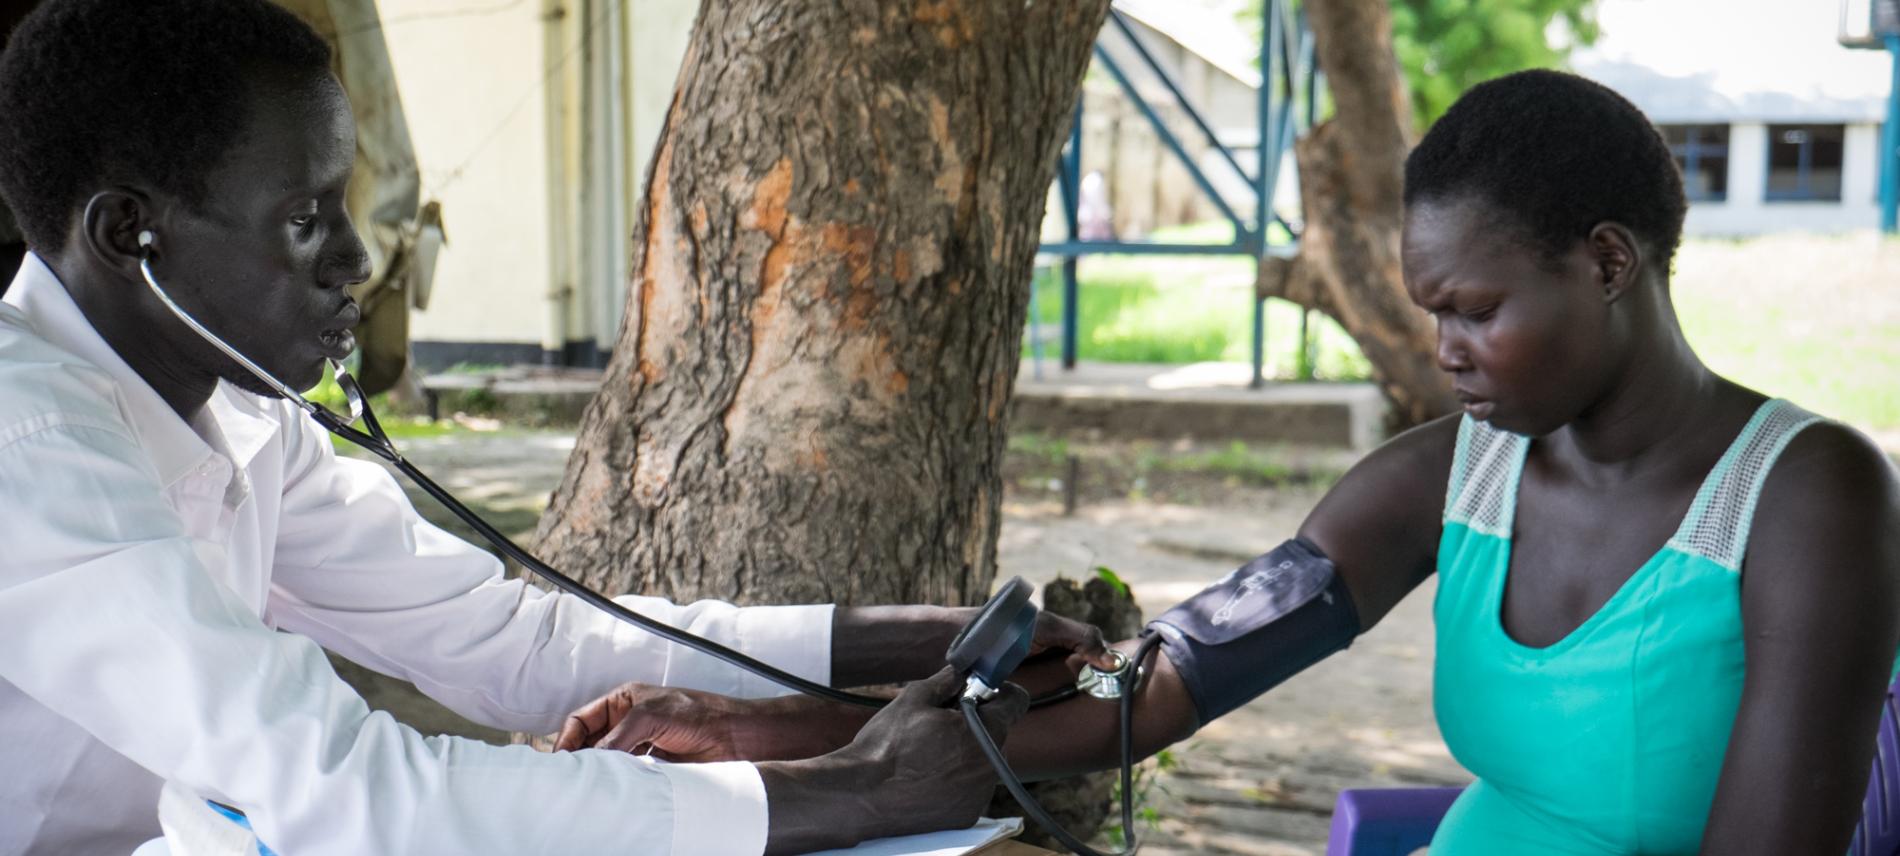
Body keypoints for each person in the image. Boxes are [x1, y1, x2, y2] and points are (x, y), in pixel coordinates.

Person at [560, 70, 1900, 853]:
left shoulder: (1808, 497)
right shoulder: (1448, 478)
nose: (1445, 350)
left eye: (1476, 311)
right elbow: (1161, 684)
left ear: (1607, 263)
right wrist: (770, 740)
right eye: (1431, 313)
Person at [0, 2, 1110, 854]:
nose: (356, 258)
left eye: (343, 204)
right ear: (128, 233)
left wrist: (919, 637)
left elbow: (513, 642)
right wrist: (857, 788)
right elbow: (342, 785)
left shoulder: (238, 413)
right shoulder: (29, 446)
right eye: (304, 219)